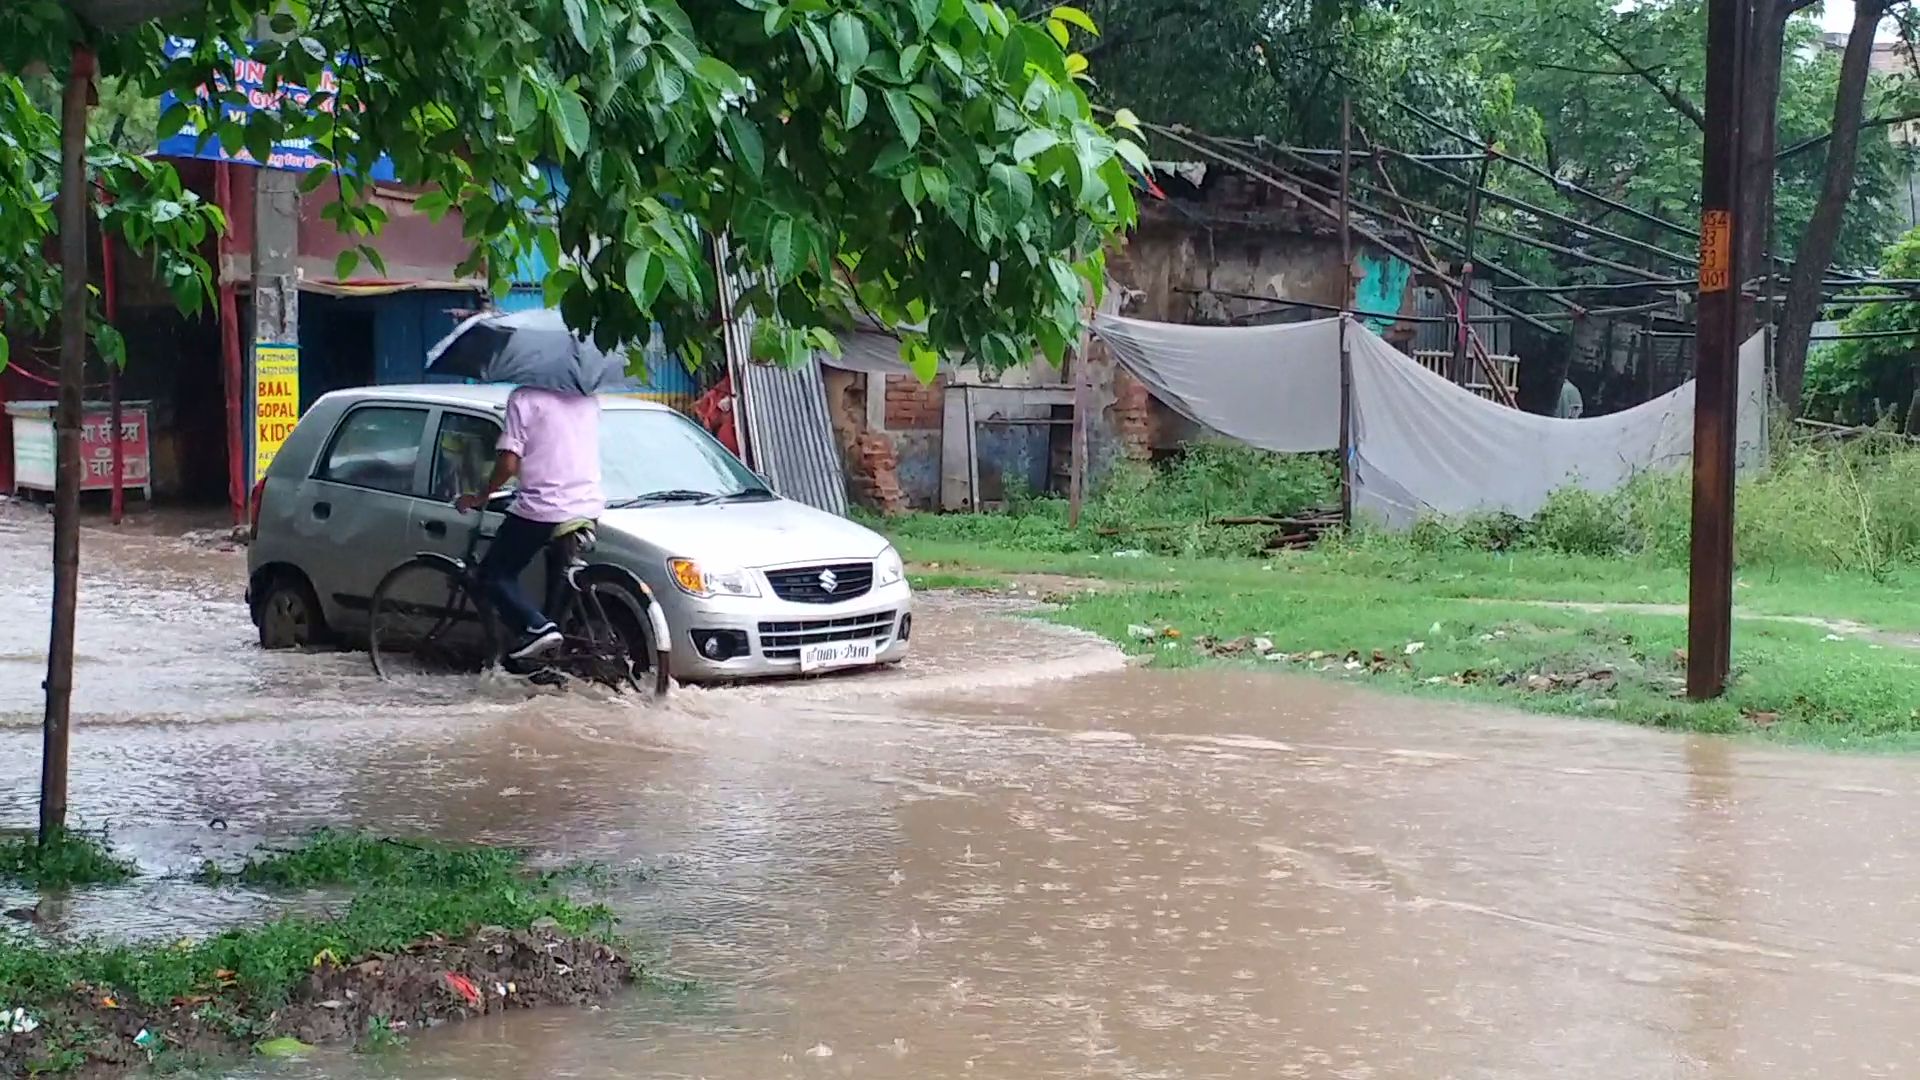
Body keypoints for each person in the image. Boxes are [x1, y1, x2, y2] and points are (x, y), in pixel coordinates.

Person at [455, 386, 604, 660]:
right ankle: (549, 655)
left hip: (544, 507)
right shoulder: (588, 399)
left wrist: (480, 496)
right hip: (588, 506)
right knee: (557, 586)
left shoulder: (523, 398)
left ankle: (536, 627)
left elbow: (508, 464)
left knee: (493, 574)